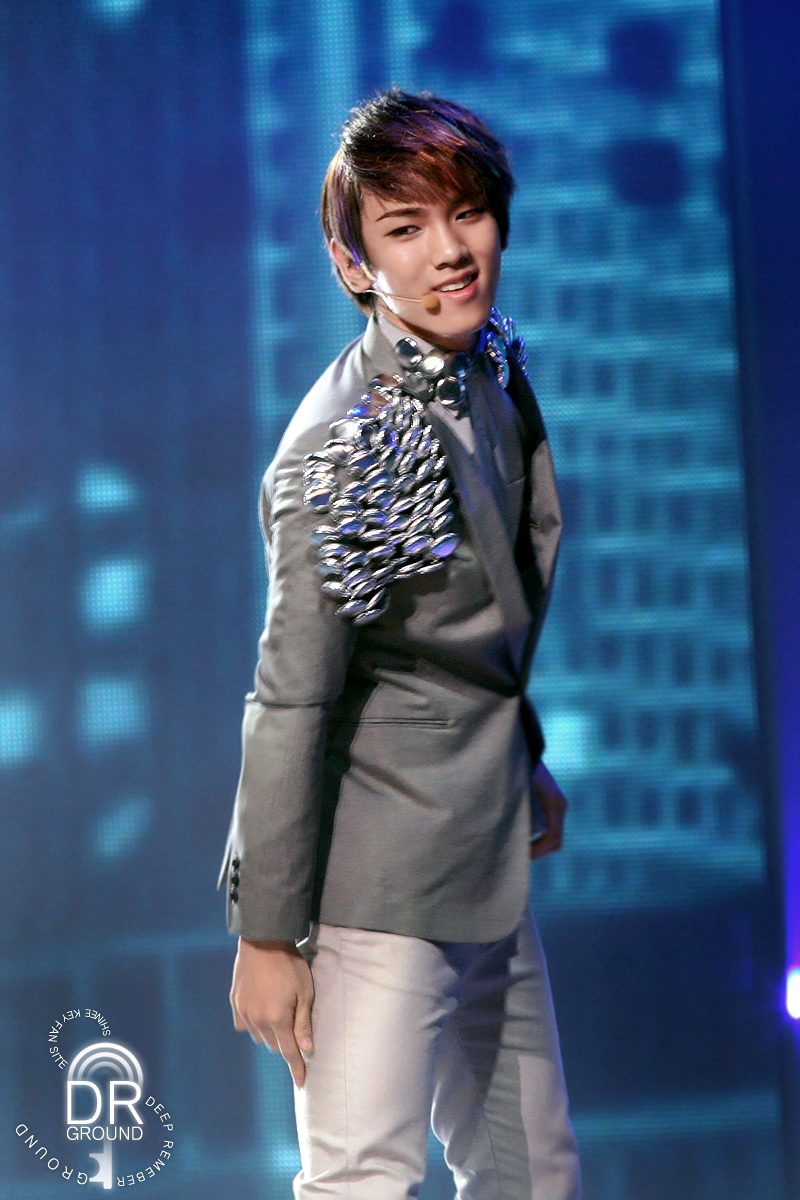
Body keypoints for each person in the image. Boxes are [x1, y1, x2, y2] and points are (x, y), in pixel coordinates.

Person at [220, 88, 581, 1199]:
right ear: (353, 264)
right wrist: (267, 936)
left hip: (483, 853)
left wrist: (521, 759)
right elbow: (291, 699)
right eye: (405, 227)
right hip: (371, 886)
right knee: (364, 1182)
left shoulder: (494, 373)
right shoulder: (344, 449)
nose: (450, 250)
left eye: (466, 213)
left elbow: (468, 637)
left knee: (533, 1175)